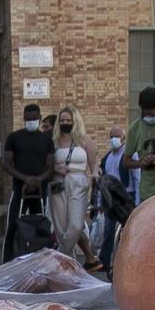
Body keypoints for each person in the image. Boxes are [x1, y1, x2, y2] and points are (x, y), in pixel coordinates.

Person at [2, 102, 56, 257]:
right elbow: (6, 164)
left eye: (34, 118)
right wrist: (25, 178)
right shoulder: (14, 137)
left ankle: (40, 260)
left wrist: (37, 179)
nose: (31, 121)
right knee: (12, 225)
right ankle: (7, 262)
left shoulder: (46, 140)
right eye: (28, 118)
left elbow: (50, 167)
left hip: (40, 190)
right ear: (23, 118)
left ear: (39, 118)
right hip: (20, 189)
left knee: (42, 227)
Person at [50, 106, 98, 266]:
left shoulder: (84, 140)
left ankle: (56, 260)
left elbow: (94, 165)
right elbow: (45, 164)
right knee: (61, 229)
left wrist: (93, 179)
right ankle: (68, 268)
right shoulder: (54, 141)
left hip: (79, 183)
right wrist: (56, 168)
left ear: (75, 121)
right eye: (62, 120)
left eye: (68, 120)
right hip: (58, 184)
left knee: (76, 226)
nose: (65, 123)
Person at [99, 124, 137, 269]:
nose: (114, 140)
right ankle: (104, 260)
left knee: (127, 229)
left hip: (126, 196)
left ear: (123, 138)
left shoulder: (129, 155)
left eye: (117, 137)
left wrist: (137, 200)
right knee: (108, 230)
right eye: (112, 137)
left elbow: (136, 177)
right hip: (110, 198)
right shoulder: (107, 158)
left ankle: (126, 260)